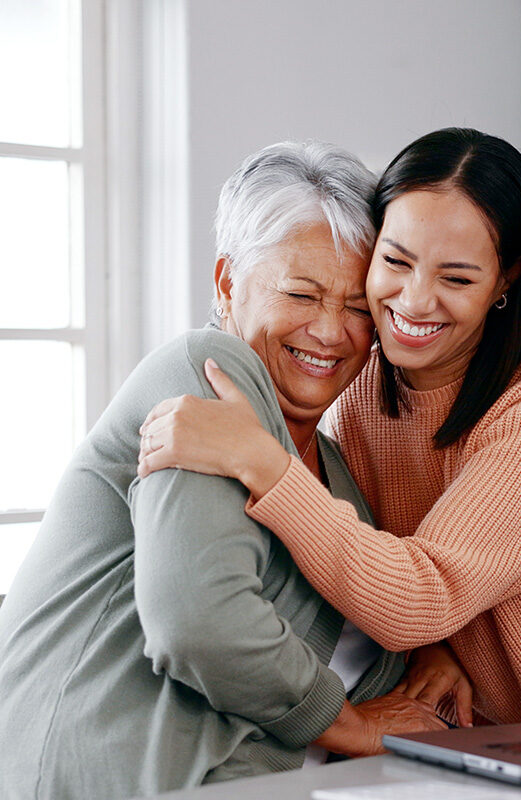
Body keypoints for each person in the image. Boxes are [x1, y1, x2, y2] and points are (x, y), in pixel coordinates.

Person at [0, 141, 464, 800]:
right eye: (302, 293)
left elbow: (356, 616)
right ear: (226, 283)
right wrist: (347, 723)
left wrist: (428, 657)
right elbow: (197, 618)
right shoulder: (207, 371)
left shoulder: (331, 469)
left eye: (359, 307)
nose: (332, 332)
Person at [138, 127, 521, 727]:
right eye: (395, 261)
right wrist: (434, 649)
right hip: (472, 743)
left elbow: (420, 595)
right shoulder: (361, 374)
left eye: (456, 278)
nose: (415, 301)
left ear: (506, 279)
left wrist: (265, 463)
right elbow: (358, 558)